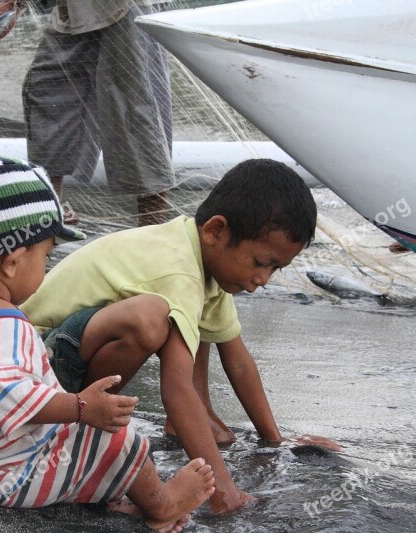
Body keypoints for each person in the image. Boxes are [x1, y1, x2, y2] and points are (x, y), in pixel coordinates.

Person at [20, 158, 342, 515]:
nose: (263, 279)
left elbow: (238, 360)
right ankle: (82, 433)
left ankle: (184, 419)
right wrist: (223, 492)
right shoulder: (179, 270)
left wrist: (275, 441)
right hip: (34, 363)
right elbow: (175, 385)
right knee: (151, 320)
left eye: (276, 268)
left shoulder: (203, 261)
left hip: (60, 353)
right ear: (216, 231)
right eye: (261, 262)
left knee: (189, 322)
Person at [0, 155, 215, 531]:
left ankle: (120, 497)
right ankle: (162, 504)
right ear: (13, 261)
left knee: (79, 440)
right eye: (45, 256)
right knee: (115, 437)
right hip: (13, 476)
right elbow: (7, 393)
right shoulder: (4, 323)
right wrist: (80, 407)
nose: (45, 268)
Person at [0, 0, 175, 226]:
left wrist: (13, 4)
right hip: (76, 9)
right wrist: (14, 6)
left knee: (135, 110)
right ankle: (51, 212)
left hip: (126, 7)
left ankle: (152, 228)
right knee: (45, 89)